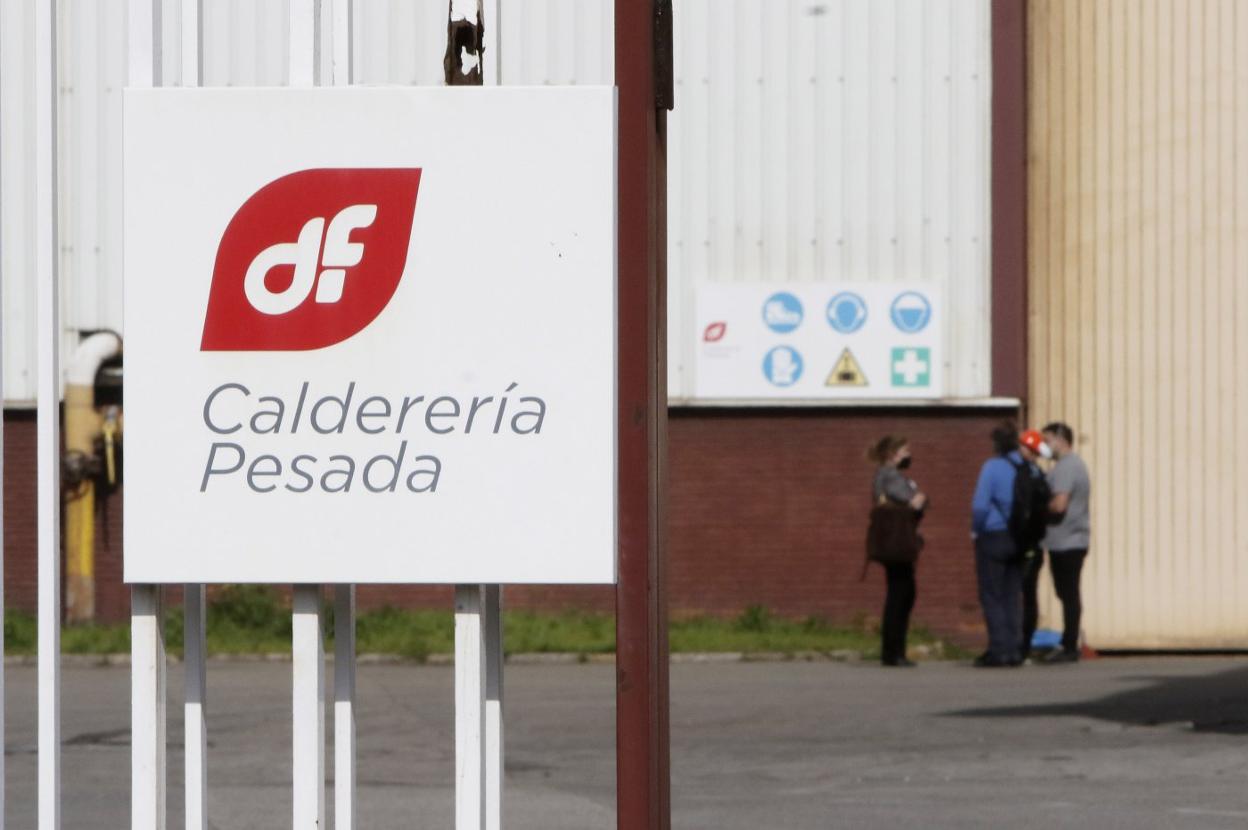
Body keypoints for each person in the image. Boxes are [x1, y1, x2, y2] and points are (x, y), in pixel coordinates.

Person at [970, 424, 1047, 667]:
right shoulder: (1032, 469)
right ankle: (1015, 649)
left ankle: (999, 650)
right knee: (1013, 594)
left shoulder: (992, 467)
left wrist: (975, 529)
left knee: (992, 594)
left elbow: (980, 505)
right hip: (1021, 538)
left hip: (993, 535)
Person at [867, 436, 928, 667]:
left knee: (899, 592)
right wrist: (920, 498)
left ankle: (892, 650)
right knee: (901, 594)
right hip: (897, 541)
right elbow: (915, 501)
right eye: (904, 450)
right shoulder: (890, 475)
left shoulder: (884, 475)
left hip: (892, 540)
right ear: (893, 454)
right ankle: (894, 652)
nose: (907, 455)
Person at [1036, 422, 1091, 663]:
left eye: (1046, 440)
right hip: (1067, 539)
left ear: (1060, 439)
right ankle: (1069, 641)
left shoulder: (1067, 468)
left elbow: (1059, 504)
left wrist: (1037, 508)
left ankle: (1069, 644)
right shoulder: (1069, 466)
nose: (1044, 446)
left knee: (1068, 592)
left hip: (1067, 541)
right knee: (1066, 591)